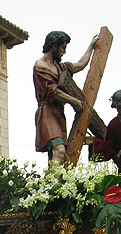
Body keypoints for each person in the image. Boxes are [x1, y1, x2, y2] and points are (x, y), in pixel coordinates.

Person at [34, 31, 98, 164]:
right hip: (47, 113)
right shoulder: (41, 66)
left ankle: (51, 182)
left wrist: (91, 46)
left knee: (60, 157)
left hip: (58, 114)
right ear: (54, 45)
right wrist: (74, 101)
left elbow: (80, 64)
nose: (64, 52)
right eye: (62, 47)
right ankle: (52, 185)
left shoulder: (60, 67)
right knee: (59, 150)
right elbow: (53, 91)